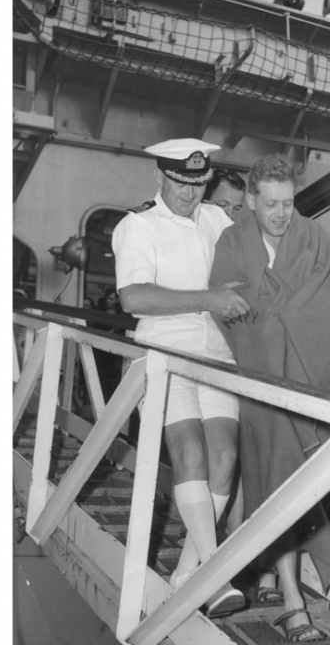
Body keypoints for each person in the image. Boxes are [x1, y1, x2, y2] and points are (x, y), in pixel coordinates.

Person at [209, 154, 330, 642]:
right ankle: (293, 601)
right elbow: (226, 305)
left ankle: (272, 574)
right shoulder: (232, 239)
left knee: (287, 477)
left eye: (288, 203)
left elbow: (323, 313)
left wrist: (266, 311)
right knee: (277, 478)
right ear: (251, 200)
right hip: (259, 380)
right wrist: (271, 316)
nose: (280, 214)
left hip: (309, 381)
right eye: (270, 204)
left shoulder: (316, 238)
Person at [111, 138, 252, 618]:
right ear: (160, 177)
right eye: (179, 183)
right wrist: (207, 299)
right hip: (167, 354)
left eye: (199, 184)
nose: (189, 195)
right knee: (190, 452)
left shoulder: (218, 219)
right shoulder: (138, 226)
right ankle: (216, 575)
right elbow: (133, 298)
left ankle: (189, 573)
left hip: (217, 356)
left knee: (227, 457)